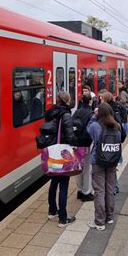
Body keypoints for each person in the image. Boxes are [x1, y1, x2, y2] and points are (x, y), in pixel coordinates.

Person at [87, 103, 121, 230]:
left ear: (99, 113)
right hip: (112, 161)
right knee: (110, 189)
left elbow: (88, 130)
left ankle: (99, 221)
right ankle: (109, 217)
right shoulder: (117, 126)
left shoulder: (96, 125)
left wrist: (94, 116)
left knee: (99, 191)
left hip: (98, 161)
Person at [45, 91, 77, 227]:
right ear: (67, 100)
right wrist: (75, 144)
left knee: (54, 182)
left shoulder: (51, 111)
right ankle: (63, 218)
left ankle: (52, 211)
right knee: (64, 184)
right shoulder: (66, 115)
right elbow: (70, 135)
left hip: (53, 151)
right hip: (63, 153)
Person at [72, 94, 95, 202]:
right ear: (90, 102)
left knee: (78, 168)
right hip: (86, 145)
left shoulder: (76, 112)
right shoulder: (91, 114)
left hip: (76, 144)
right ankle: (86, 192)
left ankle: (80, 190)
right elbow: (91, 130)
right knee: (87, 169)